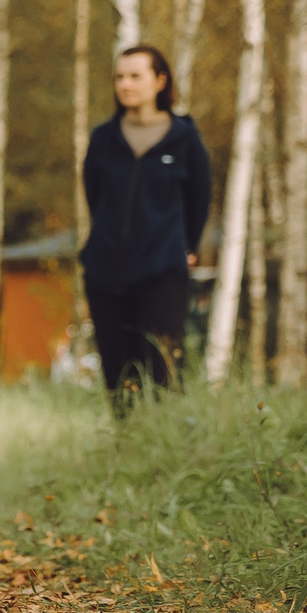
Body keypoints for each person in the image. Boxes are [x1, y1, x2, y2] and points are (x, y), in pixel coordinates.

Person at [80, 44, 212, 412]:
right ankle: (125, 455)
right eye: (119, 77)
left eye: (135, 76)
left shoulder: (185, 139)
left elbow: (199, 200)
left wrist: (184, 247)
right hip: (105, 275)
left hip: (162, 274)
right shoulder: (103, 139)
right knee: (118, 376)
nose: (125, 84)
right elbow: (95, 197)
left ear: (159, 81)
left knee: (163, 371)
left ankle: (164, 454)